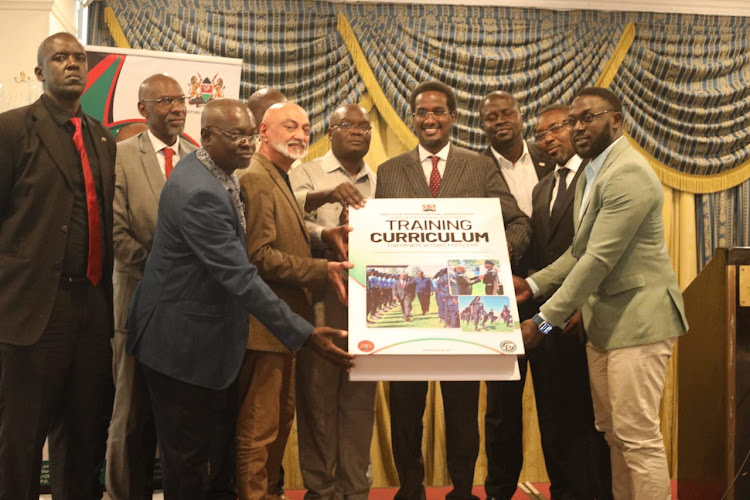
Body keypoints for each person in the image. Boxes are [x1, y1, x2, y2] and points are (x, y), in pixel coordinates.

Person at [126, 98, 354, 500]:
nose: (248, 144)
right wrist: (303, 334)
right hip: (181, 344)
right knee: (189, 463)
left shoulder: (216, 170)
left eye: (250, 135)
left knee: (210, 457)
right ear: (208, 136)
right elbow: (240, 273)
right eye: (238, 136)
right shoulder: (200, 192)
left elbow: (280, 214)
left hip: (205, 340)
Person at [515, 87, 688, 500]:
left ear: (616, 120)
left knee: (638, 438)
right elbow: (578, 252)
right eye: (573, 120)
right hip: (607, 326)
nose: (578, 127)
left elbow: (597, 260)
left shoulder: (628, 172)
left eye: (588, 117)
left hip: (640, 322)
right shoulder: (594, 174)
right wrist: (533, 285)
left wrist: (543, 321)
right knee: (614, 435)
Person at [375, 80, 532, 500]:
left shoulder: (479, 166)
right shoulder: (389, 171)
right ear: (413, 118)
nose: (430, 119)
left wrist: (497, 263)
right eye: (422, 112)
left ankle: (462, 489)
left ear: (453, 118)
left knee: (462, 412)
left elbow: (518, 224)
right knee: (406, 409)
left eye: (439, 111)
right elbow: (377, 242)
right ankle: (410, 488)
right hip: (405, 314)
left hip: (464, 308)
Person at [0, 32, 116, 500]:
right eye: (60, 57)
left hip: (91, 309)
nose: (72, 64)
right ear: (39, 72)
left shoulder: (101, 137)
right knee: (20, 440)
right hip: (29, 309)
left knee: (84, 436)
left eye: (79, 58)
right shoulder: (10, 130)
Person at [236, 101, 352, 500]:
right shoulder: (255, 177)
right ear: (262, 131)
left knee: (279, 425)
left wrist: (324, 237)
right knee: (259, 431)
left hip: (284, 329)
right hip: (263, 329)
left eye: (305, 128)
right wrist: (323, 270)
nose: (300, 135)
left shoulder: (280, 176)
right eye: (289, 126)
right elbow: (259, 256)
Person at [106, 74, 196, 500]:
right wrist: (165, 271)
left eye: (180, 100)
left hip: (190, 313)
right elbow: (116, 232)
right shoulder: (121, 155)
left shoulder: (200, 158)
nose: (176, 108)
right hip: (137, 304)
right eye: (165, 101)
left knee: (181, 418)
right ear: (143, 109)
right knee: (130, 416)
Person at [523, 104, 613, 500]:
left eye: (555, 128)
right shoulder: (540, 188)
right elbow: (550, 256)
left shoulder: (596, 178)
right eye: (541, 135)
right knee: (553, 415)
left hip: (585, 319)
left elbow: (599, 251)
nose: (548, 139)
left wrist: (583, 301)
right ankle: (563, 491)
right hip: (546, 323)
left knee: (590, 420)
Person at [290, 103, 378, 500]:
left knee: (360, 398)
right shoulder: (304, 172)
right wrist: (326, 233)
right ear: (331, 132)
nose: (358, 131)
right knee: (318, 397)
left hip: (370, 300)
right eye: (348, 125)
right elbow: (289, 219)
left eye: (365, 126)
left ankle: (357, 487)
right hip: (319, 295)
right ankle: (321, 488)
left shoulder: (379, 180)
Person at [478, 90, 553, 500]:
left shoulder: (550, 158)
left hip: (553, 297)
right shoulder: (472, 166)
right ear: (482, 124)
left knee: (557, 396)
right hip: (497, 298)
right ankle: (499, 492)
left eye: (507, 113)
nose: (500, 120)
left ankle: (568, 487)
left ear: (520, 116)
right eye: (491, 117)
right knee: (502, 406)